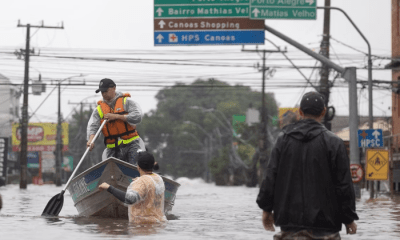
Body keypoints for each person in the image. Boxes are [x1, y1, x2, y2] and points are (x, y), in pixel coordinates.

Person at [256, 91, 359, 240]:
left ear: (300, 112)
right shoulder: (334, 143)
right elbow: (344, 186)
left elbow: (270, 177)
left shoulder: (282, 140)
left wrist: (266, 210)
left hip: (289, 227)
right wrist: (349, 219)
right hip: (326, 228)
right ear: (323, 112)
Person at [87, 78, 146, 164]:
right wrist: (91, 140)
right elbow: (93, 126)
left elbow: (138, 116)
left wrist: (117, 116)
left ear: (114, 88)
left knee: (134, 170)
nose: (104, 94)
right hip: (112, 148)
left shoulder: (127, 102)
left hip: (132, 144)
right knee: (114, 174)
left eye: (106, 91)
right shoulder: (99, 109)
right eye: (102, 92)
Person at [98, 151, 166, 224]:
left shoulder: (141, 182)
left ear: (138, 167)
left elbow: (130, 199)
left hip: (143, 227)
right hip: (159, 225)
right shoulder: (158, 178)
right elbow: (149, 186)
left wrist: (109, 188)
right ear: (153, 165)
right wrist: (141, 181)